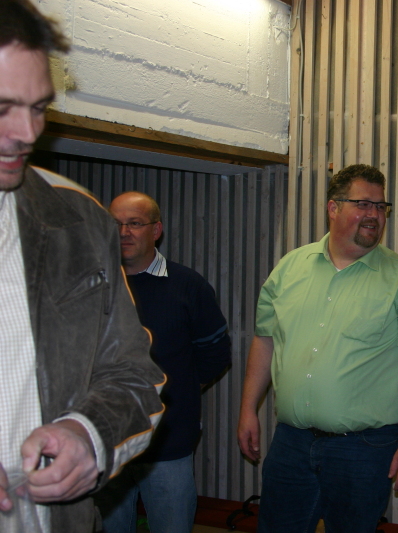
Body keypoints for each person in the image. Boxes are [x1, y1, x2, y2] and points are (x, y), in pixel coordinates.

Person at [0, 1, 166, 532]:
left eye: (39, 107)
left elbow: (135, 376)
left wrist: (88, 435)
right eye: (2, 108)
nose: (27, 132)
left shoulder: (79, 221)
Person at [237, 164, 398, 533]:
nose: (374, 214)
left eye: (380, 206)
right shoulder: (290, 268)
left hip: (365, 449)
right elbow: (265, 338)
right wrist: (248, 409)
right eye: (363, 204)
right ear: (333, 208)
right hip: (291, 441)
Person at [95, 191, 232, 533]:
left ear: (156, 230)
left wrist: (178, 392)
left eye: (134, 223)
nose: (124, 232)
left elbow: (215, 354)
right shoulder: (93, 283)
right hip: (108, 441)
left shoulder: (188, 286)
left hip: (168, 442)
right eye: (115, 223)